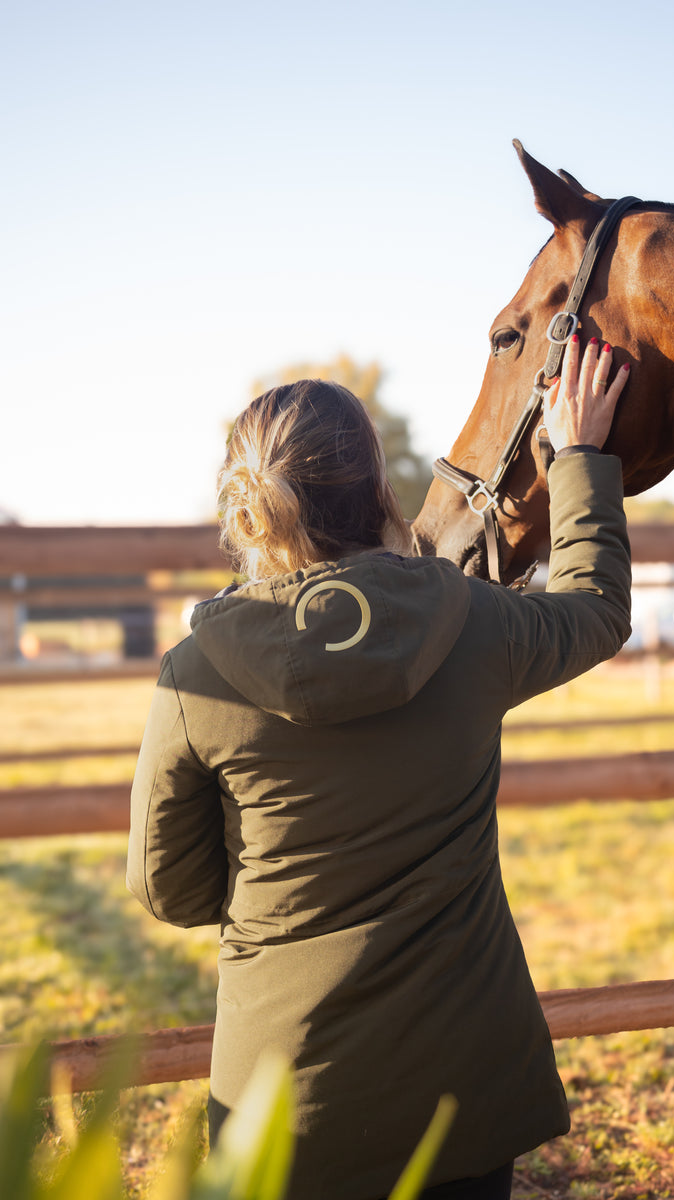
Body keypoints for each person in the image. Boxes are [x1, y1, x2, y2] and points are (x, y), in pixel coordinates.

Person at [127, 335, 631, 1200]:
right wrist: (579, 452)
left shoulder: (194, 674)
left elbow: (168, 890)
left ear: (249, 507)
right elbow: (596, 607)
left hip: (281, 1108)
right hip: (463, 1091)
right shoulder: (476, 623)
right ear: (377, 487)